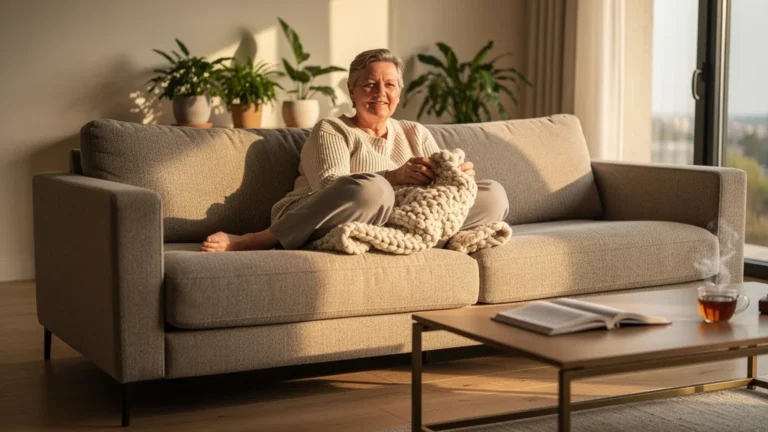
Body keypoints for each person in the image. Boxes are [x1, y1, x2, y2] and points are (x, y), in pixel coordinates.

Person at [201, 49, 509, 252]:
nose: (380, 93)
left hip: (402, 217)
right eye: (370, 85)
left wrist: (456, 178)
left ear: (399, 92)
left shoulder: (416, 132)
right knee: (374, 190)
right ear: (352, 90)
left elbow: (440, 192)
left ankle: (413, 237)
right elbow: (330, 184)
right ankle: (260, 239)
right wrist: (394, 176)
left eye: (389, 85)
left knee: (493, 193)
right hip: (332, 211)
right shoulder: (332, 129)